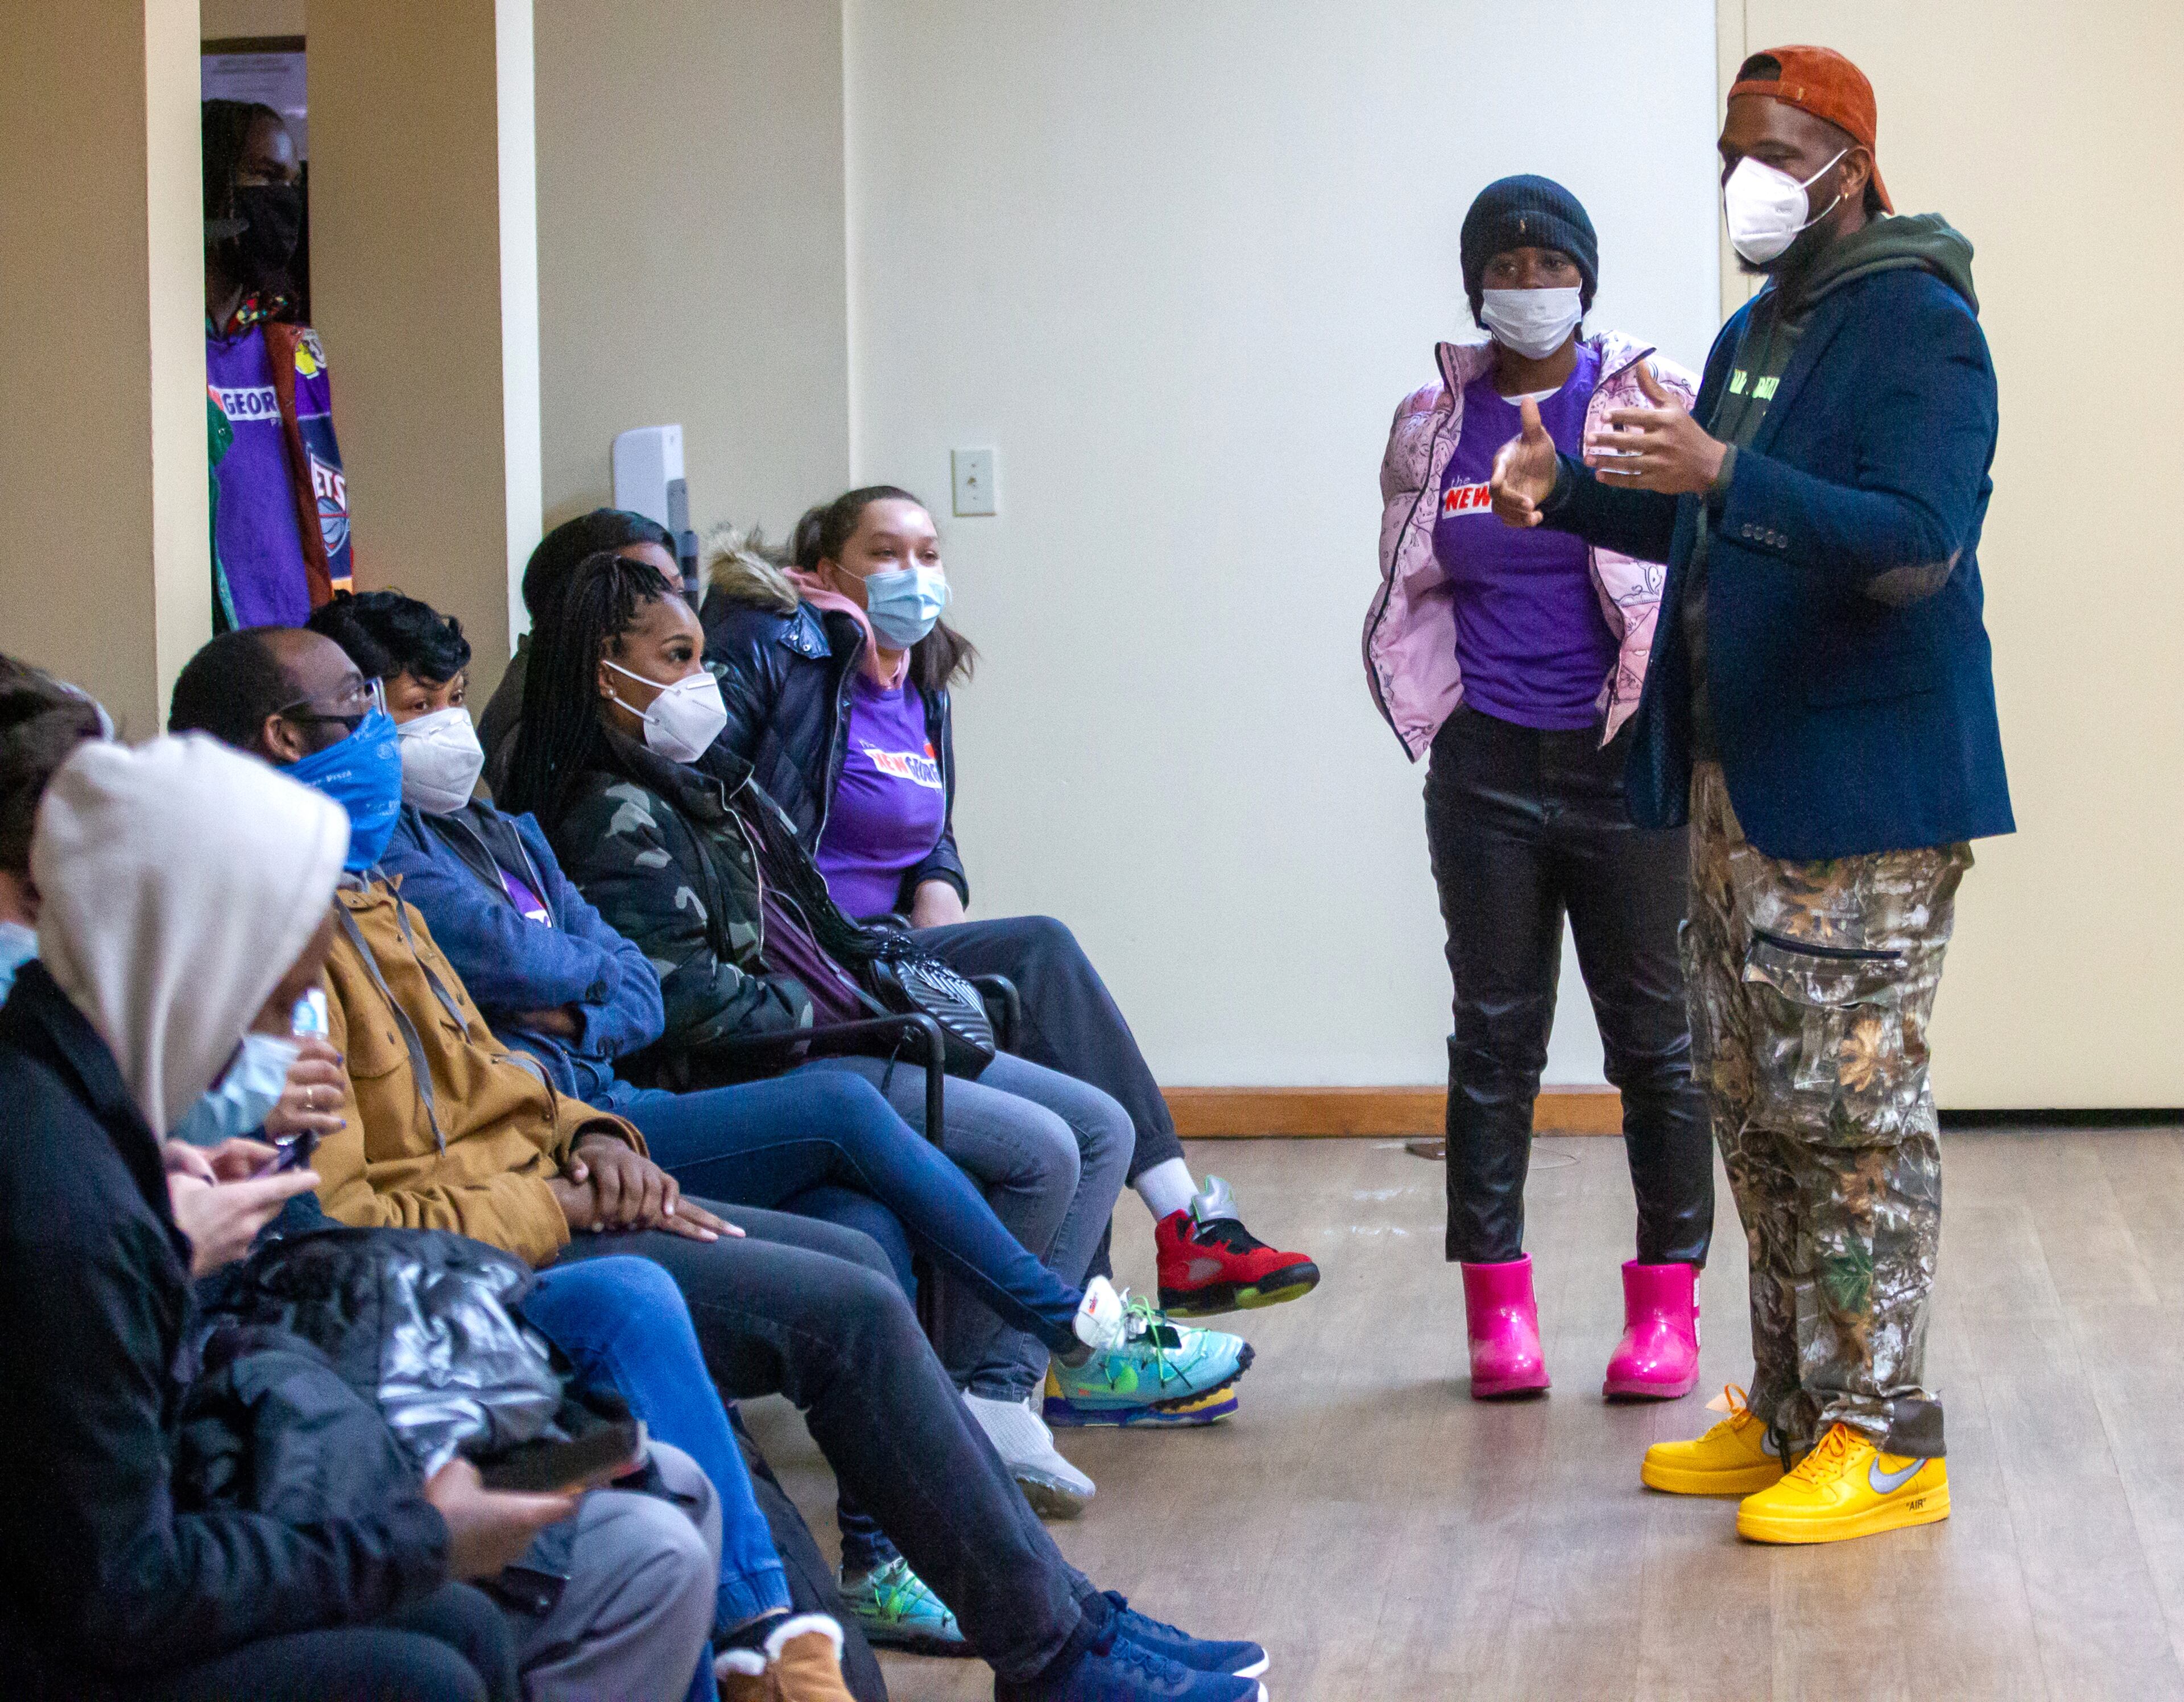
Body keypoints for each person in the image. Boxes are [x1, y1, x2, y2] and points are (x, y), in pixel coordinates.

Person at [166, 628, 1269, 1701]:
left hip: (555, 1198)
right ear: (277, 737)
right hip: (476, 1271)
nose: (387, 734)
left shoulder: (369, 891)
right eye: (361, 708)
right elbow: (349, 1222)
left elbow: (512, 1076)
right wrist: (557, 1195)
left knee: (854, 1261)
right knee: (841, 1297)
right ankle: (1049, 1641)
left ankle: (1049, 1627)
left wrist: (598, 1138)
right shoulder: (262, 951)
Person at [1488, 45, 2009, 1543]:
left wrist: (1724, 470)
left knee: (1851, 1123)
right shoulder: (1755, 330)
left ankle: (1884, 1431)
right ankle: (1790, 1411)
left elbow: (1916, 543)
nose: (1747, 181)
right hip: (1735, 790)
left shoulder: (1922, 327)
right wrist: (1575, 490)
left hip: (1862, 801)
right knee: (1760, 1109)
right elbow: (1715, 520)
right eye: (1732, 151)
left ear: (1850, 161)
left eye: (1778, 151)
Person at [0, 733, 721, 1702]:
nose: (285, 1051)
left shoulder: (62, 1090)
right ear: (194, 970)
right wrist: (420, 1537)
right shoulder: (70, 1197)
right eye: (283, 1007)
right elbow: (122, 1590)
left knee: (459, 1620)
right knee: (425, 1670)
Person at [506, 557, 1251, 1452]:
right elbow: (681, 1000)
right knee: (1051, 1147)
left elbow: (682, 970)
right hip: (779, 1055)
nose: (701, 685)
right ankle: (1003, 1384)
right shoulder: (607, 812)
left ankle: (999, 1392)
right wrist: (833, 1011)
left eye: (703, 660)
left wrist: (868, 986)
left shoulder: (711, 784)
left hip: (836, 1018)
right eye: (676, 659)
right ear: (604, 670)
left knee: (1098, 1122)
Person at [702, 495, 1322, 1324]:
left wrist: (940, 925)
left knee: (1041, 1022)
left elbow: (931, 838)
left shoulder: (922, 684)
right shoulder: (792, 656)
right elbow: (723, 807)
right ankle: (1180, 1233)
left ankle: (1132, 1290)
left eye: (928, 554)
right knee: (1041, 954)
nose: (914, 575)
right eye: (885, 554)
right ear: (822, 573)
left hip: (889, 950)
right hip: (812, 959)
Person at [1366, 176, 1712, 1402]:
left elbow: (1691, 555)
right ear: (1475, 283)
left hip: (1624, 765)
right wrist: (1440, 713)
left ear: (1586, 276)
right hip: (1486, 772)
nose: (1527, 282)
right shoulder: (1430, 420)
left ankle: (1666, 1306)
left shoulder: (1641, 400)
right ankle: (1497, 1310)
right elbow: (1414, 577)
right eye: (1504, 264)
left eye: (1547, 261)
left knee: (1654, 1043)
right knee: (1496, 1039)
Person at [202, 100, 352, 630]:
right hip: (209, 644)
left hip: (297, 637)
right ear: (213, 181)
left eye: (291, 181)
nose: (283, 198)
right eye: (264, 176)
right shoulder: (168, 352)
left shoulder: (292, 346)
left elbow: (325, 511)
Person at [478, 508, 680, 793]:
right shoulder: (531, 719)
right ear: (585, 597)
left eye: (678, 592)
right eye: (646, 591)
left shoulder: (646, 680)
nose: (677, 611)